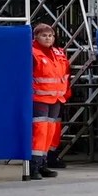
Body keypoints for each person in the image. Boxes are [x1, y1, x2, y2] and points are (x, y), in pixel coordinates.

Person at [29, 23, 71, 180]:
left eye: (50, 35)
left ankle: (43, 163)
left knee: (49, 133)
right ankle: (34, 166)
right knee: (40, 133)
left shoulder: (58, 53)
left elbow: (66, 74)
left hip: (56, 98)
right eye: (44, 35)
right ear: (36, 37)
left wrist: (66, 92)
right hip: (39, 98)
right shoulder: (32, 53)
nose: (48, 38)